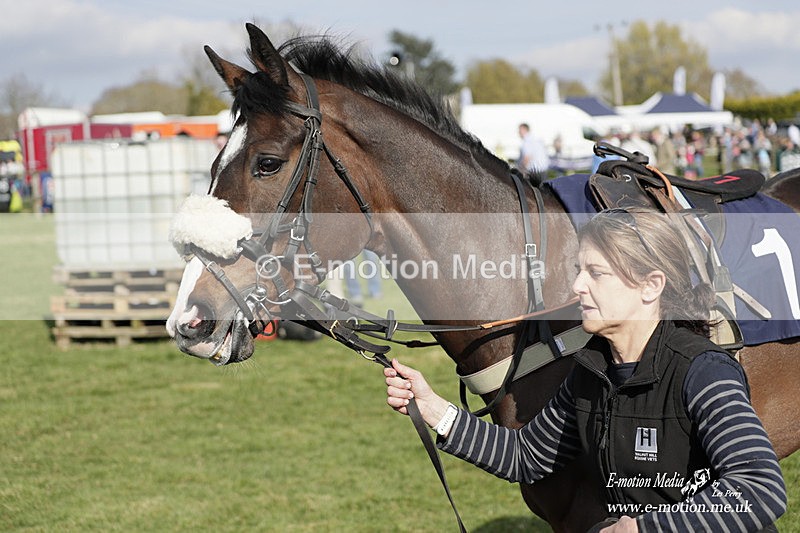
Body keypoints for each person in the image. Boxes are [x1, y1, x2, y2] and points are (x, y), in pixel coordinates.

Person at [384, 209, 786, 532]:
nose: (576, 286)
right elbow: (525, 456)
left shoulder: (702, 372)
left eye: (595, 273)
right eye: (579, 270)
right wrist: (434, 408)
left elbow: (760, 489)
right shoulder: (591, 370)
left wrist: (646, 528)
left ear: (651, 286)